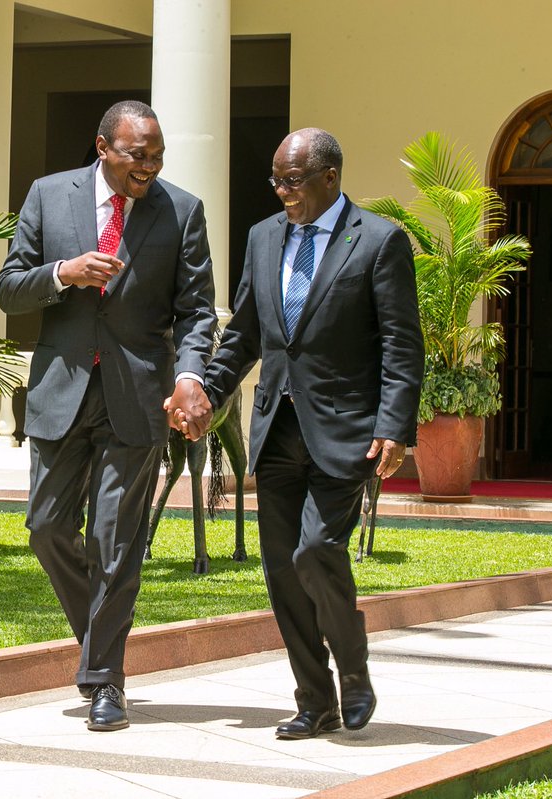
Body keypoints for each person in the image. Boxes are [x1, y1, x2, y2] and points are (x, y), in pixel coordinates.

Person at [178, 128, 423, 740]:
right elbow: (245, 334)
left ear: (330, 178)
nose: (283, 192)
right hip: (275, 428)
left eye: (293, 181)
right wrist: (207, 389)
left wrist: (395, 425)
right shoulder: (264, 238)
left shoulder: (379, 240)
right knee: (282, 572)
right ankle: (315, 699)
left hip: (346, 430)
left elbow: (400, 341)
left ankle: (354, 670)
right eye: (277, 181)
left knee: (317, 551)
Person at [0, 101, 217, 731]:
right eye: (136, 155)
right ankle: (100, 638)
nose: (148, 167)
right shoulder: (46, 196)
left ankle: (105, 679)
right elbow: (8, 287)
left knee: (115, 540)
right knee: (46, 527)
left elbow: (196, 311)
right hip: (61, 388)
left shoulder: (181, 211)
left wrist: (189, 375)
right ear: (103, 147)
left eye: (156, 156)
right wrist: (62, 273)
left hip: (137, 394)